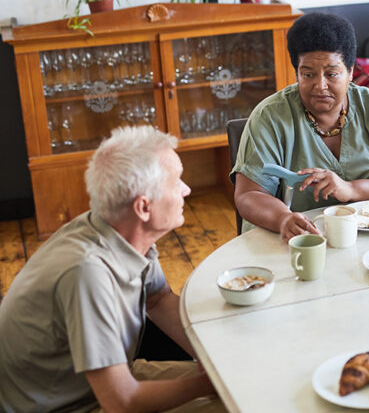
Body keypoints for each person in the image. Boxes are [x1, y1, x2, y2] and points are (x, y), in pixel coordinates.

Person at [0, 126, 222, 412]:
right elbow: (122, 402)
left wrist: (217, 358)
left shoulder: (117, 228)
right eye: (177, 181)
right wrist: (212, 382)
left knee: (244, 386)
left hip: (108, 383)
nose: (186, 189)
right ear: (143, 207)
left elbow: (158, 299)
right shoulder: (85, 273)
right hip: (77, 404)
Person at [232, 12, 369, 242]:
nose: (320, 86)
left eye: (332, 74)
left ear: (351, 72)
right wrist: (283, 218)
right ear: (297, 73)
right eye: (308, 74)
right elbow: (249, 195)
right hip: (298, 243)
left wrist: (351, 189)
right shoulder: (269, 117)